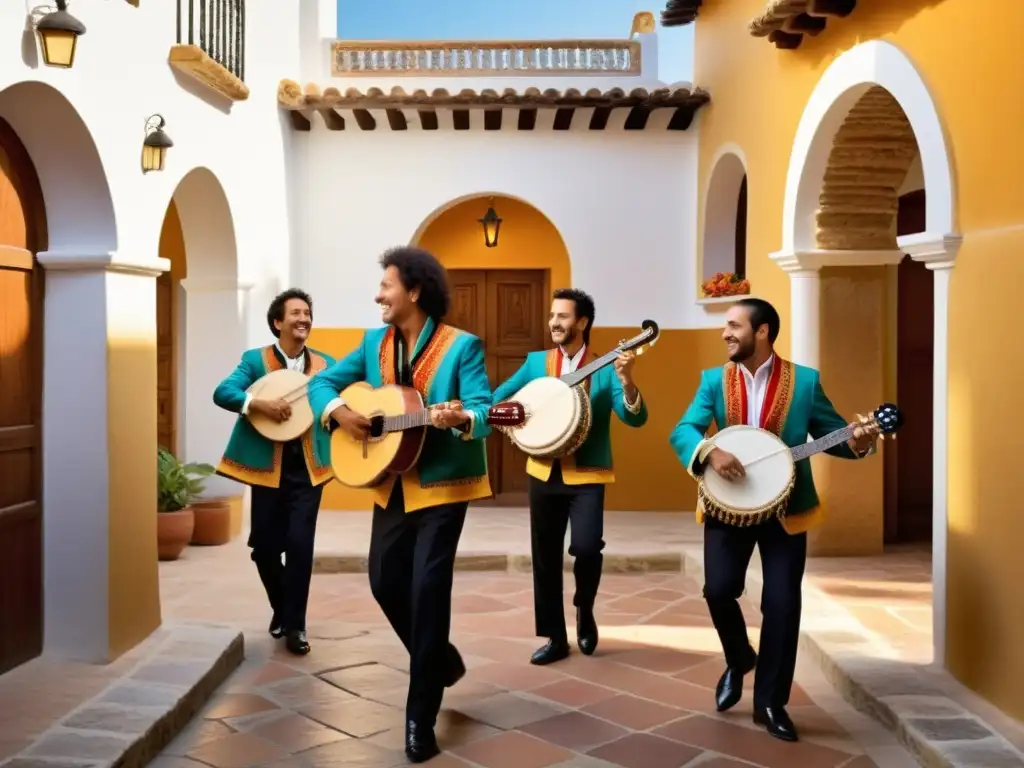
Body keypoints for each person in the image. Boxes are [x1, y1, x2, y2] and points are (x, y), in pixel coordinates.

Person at [307, 246, 493, 764]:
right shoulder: (372, 343)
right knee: (384, 581)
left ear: (414, 291)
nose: (378, 295)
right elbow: (321, 383)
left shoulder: (463, 348)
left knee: (429, 592)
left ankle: (420, 719)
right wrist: (341, 412)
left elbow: (483, 406)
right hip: (389, 482)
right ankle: (440, 658)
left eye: (386, 286)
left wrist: (459, 419)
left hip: (442, 489)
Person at [669, 297, 879, 742]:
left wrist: (859, 440)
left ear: (762, 332)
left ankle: (770, 701)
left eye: (734, 326)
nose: (725, 333)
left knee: (782, 605)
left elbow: (834, 435)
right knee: (719, 590)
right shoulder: (713, 380)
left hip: (787, 509)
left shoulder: (805, 382)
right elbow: (683, 430)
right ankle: (740, 656)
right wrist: (710, 450)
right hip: (728, 506)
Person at [491, 288, 648, 666]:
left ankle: (585, 608)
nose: (554, 324)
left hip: (587, 473)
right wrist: (521, 424)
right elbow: (500, 401)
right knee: (544, 556)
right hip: (543, 471)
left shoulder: (607, 367)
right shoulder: (535, 363)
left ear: (582, 322)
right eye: (552, 316)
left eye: (562, 317)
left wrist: (627, 382)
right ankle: (555, 637)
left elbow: (635, 418)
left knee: (588, 546)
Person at [213, 288, 335, 657]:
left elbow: (341, 401)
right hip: (268, 466)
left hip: (309, 468)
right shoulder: (255, 361)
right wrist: (258, 404)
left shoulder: (326, 365)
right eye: (295, 313)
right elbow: (223, 392)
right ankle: (282, 607)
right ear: (277, 322)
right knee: (264, 549)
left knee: (300, 546)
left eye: (308, 314)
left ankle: (295, 625)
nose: (303, 319)